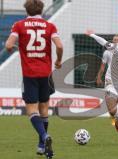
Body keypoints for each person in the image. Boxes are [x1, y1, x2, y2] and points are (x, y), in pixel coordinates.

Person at [5, 0, 63, 158]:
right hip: (46, 74)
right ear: (42, 10)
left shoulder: (19, 25)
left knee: (31, 110)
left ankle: (44, 137)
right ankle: (41, 146)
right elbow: (59, 46)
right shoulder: (50, 26)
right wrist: (58, 61)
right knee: (44, 108)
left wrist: (16, 49)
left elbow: (9, 45)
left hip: (30, 74)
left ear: (27, 11)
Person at [96, 35, 118, 126]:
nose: (116, 41)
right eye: (115, 40)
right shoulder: (107, 52)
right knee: (111, 110)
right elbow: (103, 66)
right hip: (109, 80)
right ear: (112, 42)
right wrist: (99, 77)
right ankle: (115, 117)